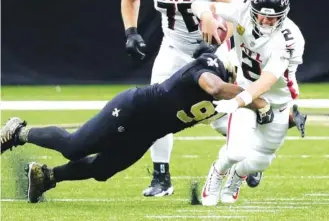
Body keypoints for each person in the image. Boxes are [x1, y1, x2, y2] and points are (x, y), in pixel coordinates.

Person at [0, 43, 271, 204]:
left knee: (103, 169)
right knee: (75, 147)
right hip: (132, 109)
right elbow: (213, 87)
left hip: (147, 132)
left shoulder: (233, 95)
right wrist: (254, 98)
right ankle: (18, 131)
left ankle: (46, 177)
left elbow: (241, 121)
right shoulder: (211, 65)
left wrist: (283, 115)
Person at [121, 0, 239, 196]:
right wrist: (131, 31)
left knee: (219, 115)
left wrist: (216, 47)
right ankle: (161, 178)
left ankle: (248, 158)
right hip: (174, 46)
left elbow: (235, 12)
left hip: (213, 50)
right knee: (154, 109)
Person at [191, 0, 307, 206]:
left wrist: (235, 101)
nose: (265, 21)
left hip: (277, 100)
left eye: (272, 17)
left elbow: (267, 80)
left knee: (260, 161)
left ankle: (237, 176)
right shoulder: (243, 7)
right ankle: (217, 172)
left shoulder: (290, 38)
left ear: (283, 15)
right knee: (235, 152)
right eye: (261, 15)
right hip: (246, 90)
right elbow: (200, 4)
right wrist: (206, 15)